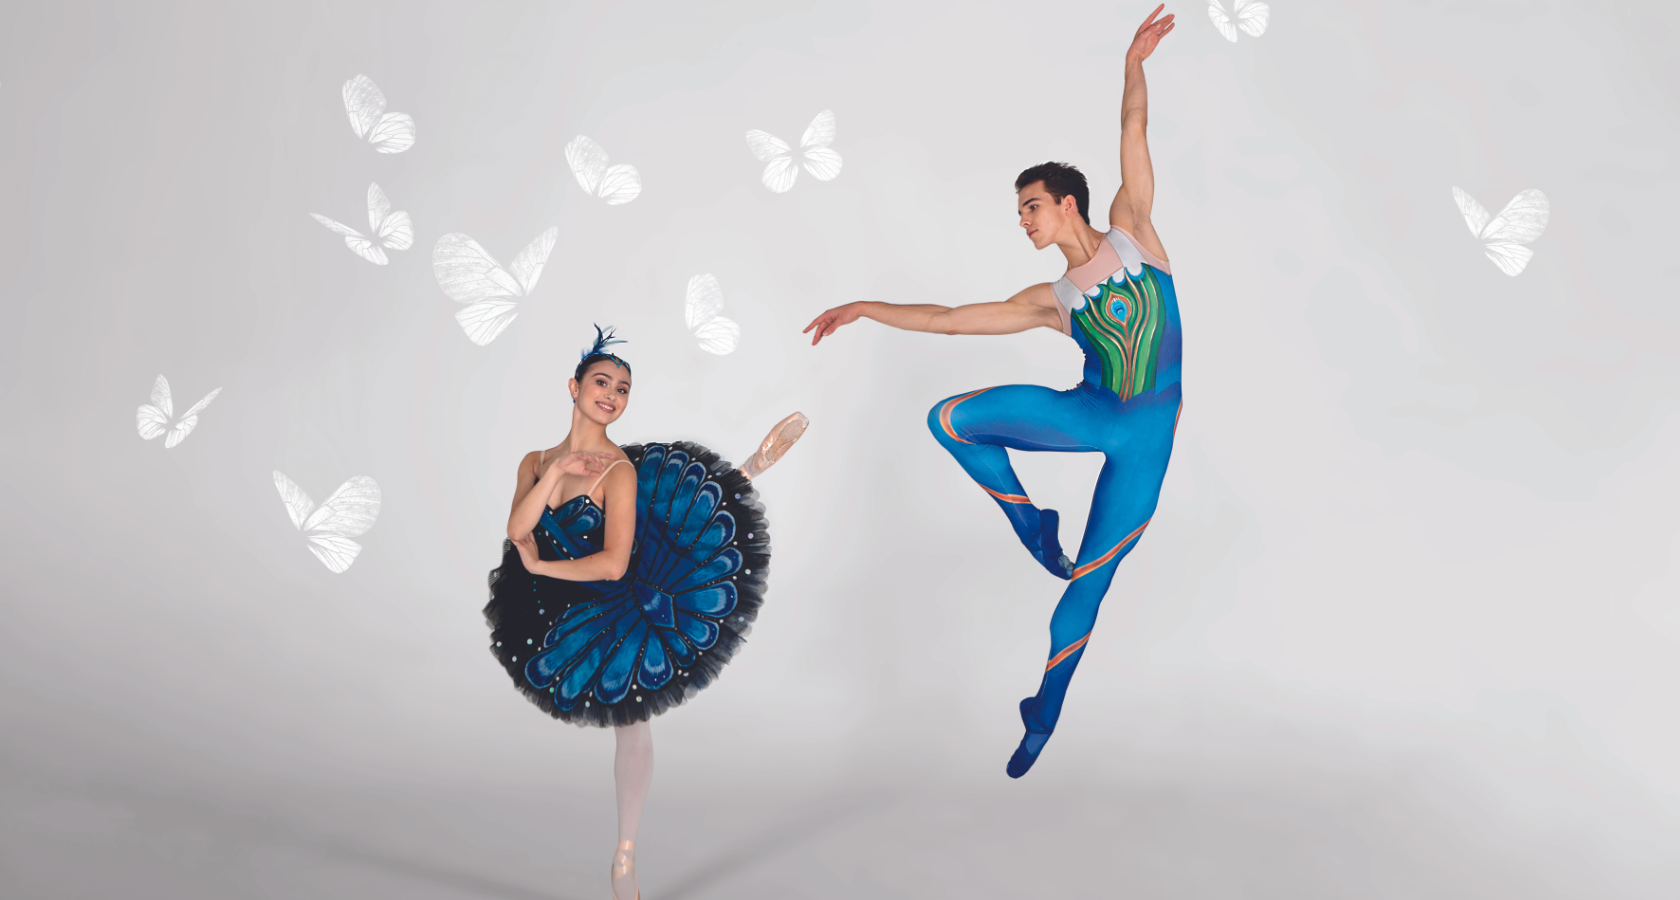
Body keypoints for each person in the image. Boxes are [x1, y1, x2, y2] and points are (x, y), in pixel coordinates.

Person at [803, 6, 1180, 778]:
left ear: (1066, 202)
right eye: (1018, 213)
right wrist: (868, 305)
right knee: (950, 419)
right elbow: (948, 321)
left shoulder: (1132, 229)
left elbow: (1133, 134)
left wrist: (1131, 64)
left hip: (1148, 436)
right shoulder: (1052, 300)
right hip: (1091, 412)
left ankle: (1042, 714)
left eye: (1029, 207)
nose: (1023, 222)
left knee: (1086, 592)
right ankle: (1032, 526)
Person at [484, 326, 809, 899]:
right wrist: (557, 473)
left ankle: (624, 855)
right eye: (602, 382)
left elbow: (612, 565)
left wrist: (541, 568)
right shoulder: (534, 461)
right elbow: (516, 529)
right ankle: (749, 469)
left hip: (613, 594)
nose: (612, 394)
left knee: (632, 719)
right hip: (552, 601)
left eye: (623, 388)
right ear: (574, 387)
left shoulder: (619, 471)